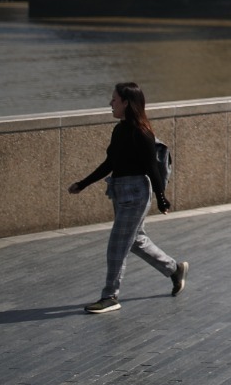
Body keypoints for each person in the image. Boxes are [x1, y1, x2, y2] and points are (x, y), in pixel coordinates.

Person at [68, 82, 187, 313]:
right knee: (135, 241)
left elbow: (152, 168)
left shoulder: (142, 133)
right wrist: (83, 184)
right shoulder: (119, 130)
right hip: (119, 190)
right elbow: (110, 164)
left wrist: (162, 198)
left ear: (126, 102)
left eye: (114, 100)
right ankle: (174, 270)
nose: (110, 104)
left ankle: (110, 296)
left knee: (117, 244)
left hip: (137, 193)